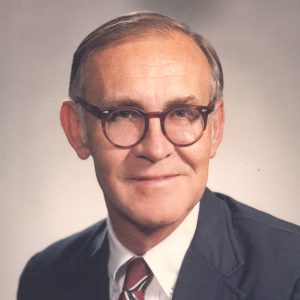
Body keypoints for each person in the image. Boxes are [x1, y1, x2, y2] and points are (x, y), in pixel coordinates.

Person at [18, 11, 300, 300]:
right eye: (123, 114)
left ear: (215, 128)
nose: (155, 149)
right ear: (76, 129)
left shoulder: (293, 274)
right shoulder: (44, 276)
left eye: (181, 113)